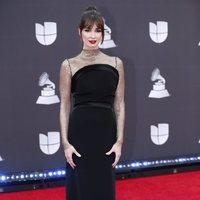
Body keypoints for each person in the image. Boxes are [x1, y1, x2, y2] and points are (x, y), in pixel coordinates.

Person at [59, 5, 125, 200]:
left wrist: (119, 141)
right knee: (81, 187)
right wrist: (65, 143)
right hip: (80, 136)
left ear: (104, 33)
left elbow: (120, 106)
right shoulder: (68, 65)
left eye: (98, 30)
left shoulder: (116, 63)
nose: (93, 35)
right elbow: (64, 105)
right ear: (79, 32)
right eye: (88, 29)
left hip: (106, 136)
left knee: (103, 188)